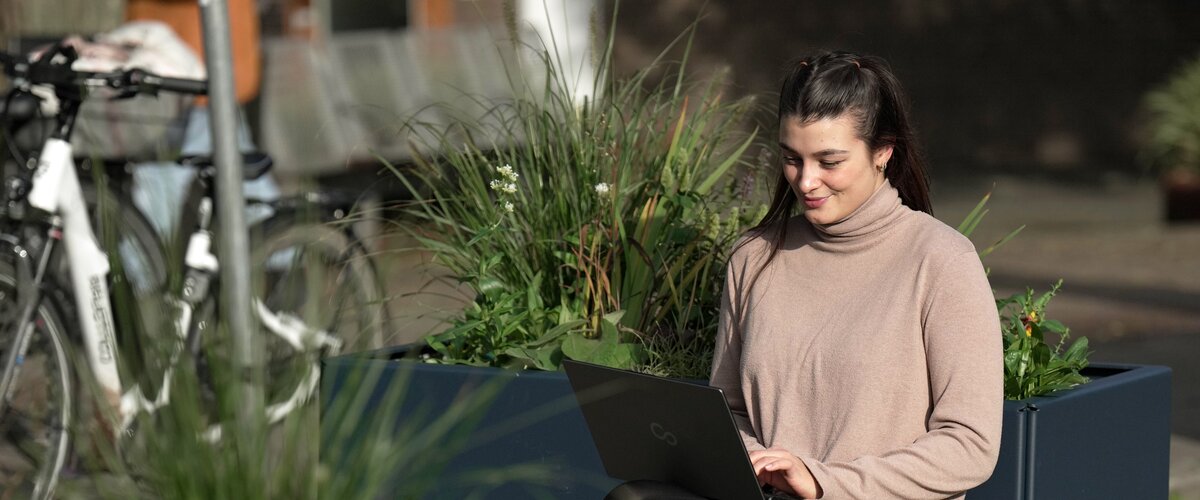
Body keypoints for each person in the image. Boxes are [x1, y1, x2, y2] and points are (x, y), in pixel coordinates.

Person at [709, 51, 1002, 499]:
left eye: (829, 162)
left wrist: (825, 484)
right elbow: (727, 412)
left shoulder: (942, 262)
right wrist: (759, 464)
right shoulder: (754, 256)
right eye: (792, 158)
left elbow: (970, 445)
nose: (806, 181)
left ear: (883, 151)